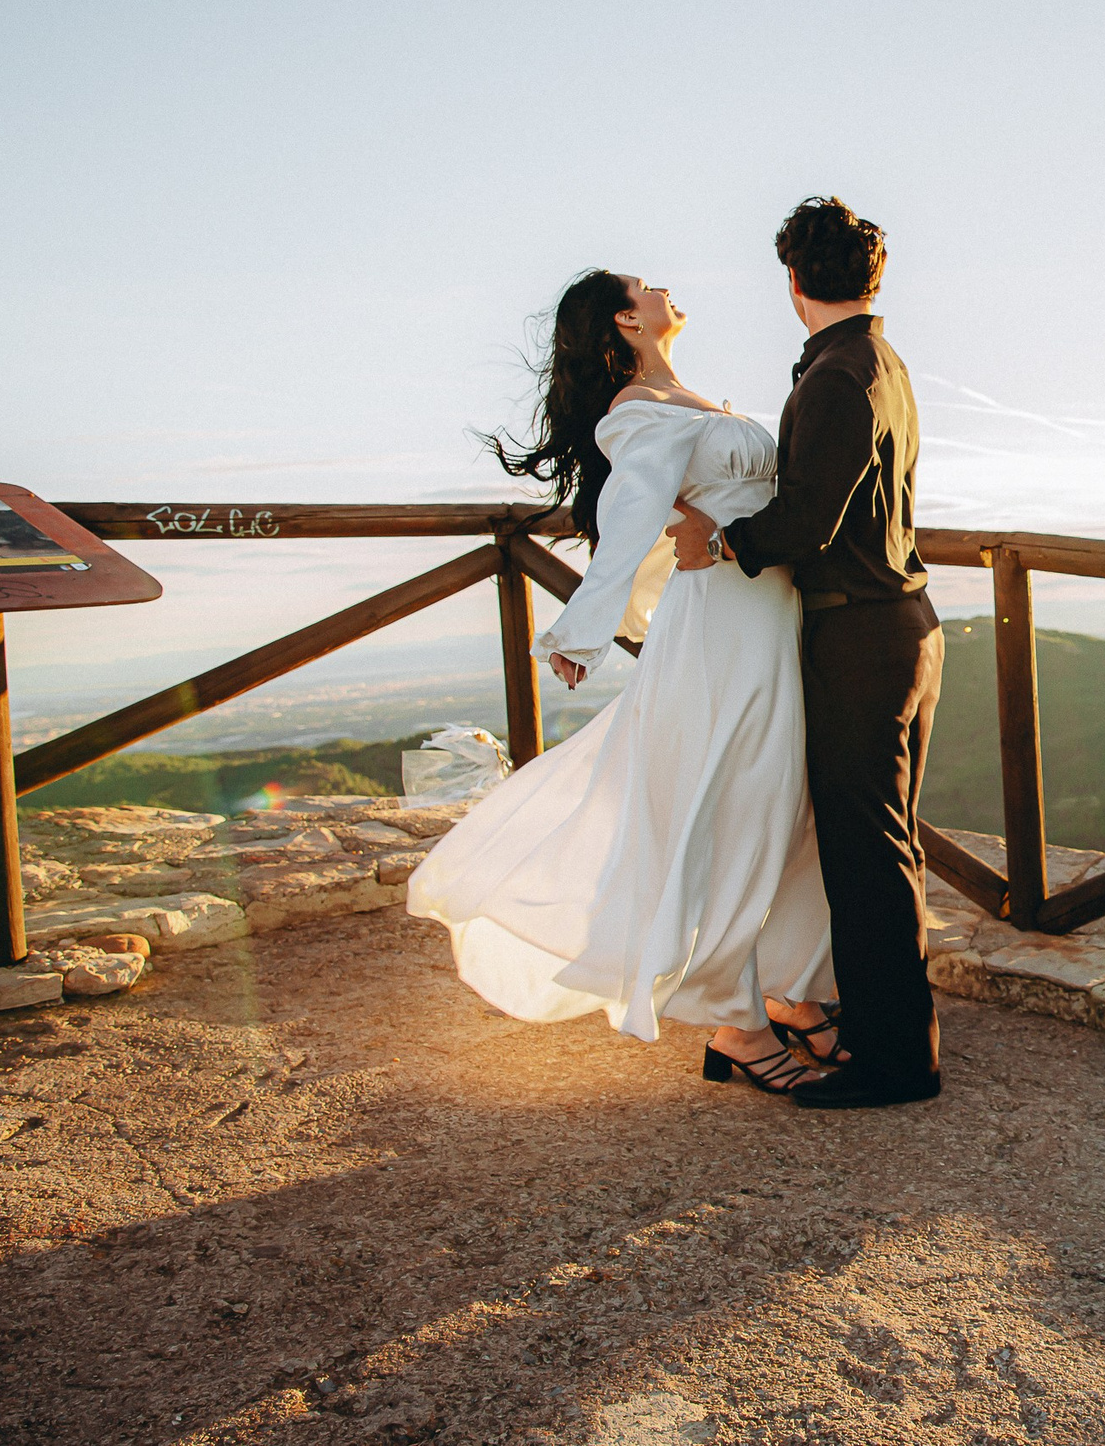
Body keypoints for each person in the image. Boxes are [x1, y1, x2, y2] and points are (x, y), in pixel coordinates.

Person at [405, 268, 841, 1095]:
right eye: (648, 286)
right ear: (625, 321)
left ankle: (790, 986)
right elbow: (635, 512)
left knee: (791, 806)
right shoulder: (635, 413)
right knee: (739, 809)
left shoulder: (689, 398)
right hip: (723, 628)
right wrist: (583, 629)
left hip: (771, 615)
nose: (666, 289)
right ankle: (735, 1021)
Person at [665, 197, 945, 1108]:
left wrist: (722, 539)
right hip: (903, 621)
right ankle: (881, 1028)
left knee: (866, 856)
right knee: (883, 845)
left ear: (791, 281)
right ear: (876, 276)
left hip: (860, 633)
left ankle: (899, 1064)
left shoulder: (833, 376)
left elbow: (807, 519)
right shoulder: (881, 361)